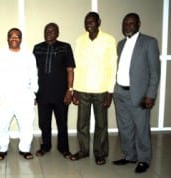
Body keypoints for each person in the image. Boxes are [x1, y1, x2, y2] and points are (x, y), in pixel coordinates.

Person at [112, 13, 160, 173]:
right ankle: (129, 155)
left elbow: (154, 72)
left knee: (141, 128)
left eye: (131, 23)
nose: (127, 26)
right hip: (120, 92)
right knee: (125, 127)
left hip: (139, 94)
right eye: (125, 23)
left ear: (138, 24)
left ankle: (144, 159)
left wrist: (151, 95)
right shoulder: (120, 44)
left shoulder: (149, 42)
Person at [70, 12, 117, 165]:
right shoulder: (80, 40)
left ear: (99, 22)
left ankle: (100, 153)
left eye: (92, 21)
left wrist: (110, 91)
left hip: (101, 89)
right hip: (82, 88)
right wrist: (74, 89)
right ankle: (83, 151)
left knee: (101, 124)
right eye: (86, 22)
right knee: (82, 123)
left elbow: (112, 66)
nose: (89, 24)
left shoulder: (109, 40)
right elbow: (76, 66)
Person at [0, 28, 38, 161]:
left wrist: (34, 93)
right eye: (11, 36)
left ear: (21, 39)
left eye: (17, 36)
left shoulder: (29, 56)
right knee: (2, 124)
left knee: (27, 124)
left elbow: (34, 75)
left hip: (25, 97)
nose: (14, 39)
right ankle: (3, 149)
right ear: (7, 38)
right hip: (4, 97)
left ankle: (25, 149)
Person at [33, 23, 75, 159]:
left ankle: (63, 147)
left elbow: (70, 69)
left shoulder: (65, 47)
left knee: (62, 122)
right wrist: (33, 92)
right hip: (42, 92)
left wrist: (70, 90)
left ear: (58, 33)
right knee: (44, 122)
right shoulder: (37, 48)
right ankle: (45, 146)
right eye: (47, 31)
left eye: (52, 31)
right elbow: (32, 71)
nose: (49, 33)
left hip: (61, 93)